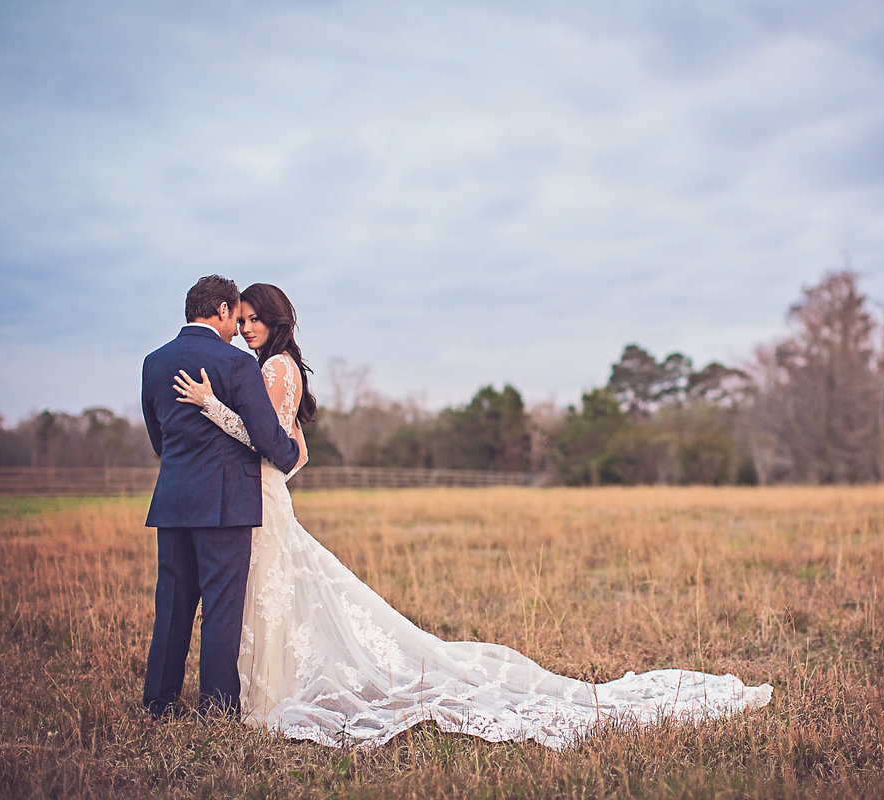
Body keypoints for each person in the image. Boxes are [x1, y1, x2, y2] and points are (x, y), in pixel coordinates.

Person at [174, 283, 773, 748]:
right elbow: (294, 452)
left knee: (275, 594)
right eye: (242, 319)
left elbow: (270, 442)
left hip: (261, 500)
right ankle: (258, 692)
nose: (245, 329)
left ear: (277, 323)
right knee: (274, 596)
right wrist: (276, 467)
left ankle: (260, 697)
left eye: (253, 320)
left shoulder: (274, 368)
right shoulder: (275, 369)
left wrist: (209, 407)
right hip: (260, 498)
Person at [141, 276, 301, 719]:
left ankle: (159, 703)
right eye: (237, 317)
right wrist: (291, 453)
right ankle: (216, 708)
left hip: (172, 501)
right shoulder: (235, 363)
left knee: (172, 606)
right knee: (222, 609)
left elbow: (159, 439)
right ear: (223, 311)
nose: (239, 328)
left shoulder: (153, 362)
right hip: (225, 505)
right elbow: (267, 435)